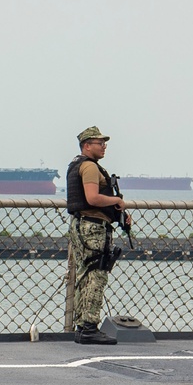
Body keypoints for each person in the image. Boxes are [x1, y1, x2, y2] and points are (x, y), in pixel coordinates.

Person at [66, 125, 130, 345]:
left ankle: (82, 325)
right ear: (87, 145)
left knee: (85, 274)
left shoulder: (76, 165)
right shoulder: (90, 168)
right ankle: (90, 327)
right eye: (99, 143)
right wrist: (117, 201)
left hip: (81, 225)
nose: (104, 147)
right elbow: (93, 198)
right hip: (92, 227)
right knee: (97, 274)